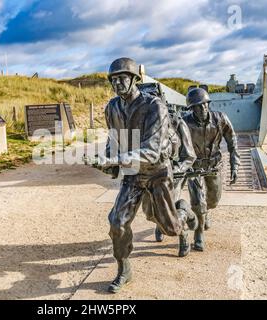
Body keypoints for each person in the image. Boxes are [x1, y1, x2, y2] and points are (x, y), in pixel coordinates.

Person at [96, 58, 197, 293]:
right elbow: (114, 140)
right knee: (117, 223)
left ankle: (184, 215)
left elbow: (152, 149)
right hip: (133, 175)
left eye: (122, 78)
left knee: (168, 227)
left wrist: (115, 160)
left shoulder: (154, 106)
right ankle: (124, 270)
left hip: (158, 173)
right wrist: (106, 162)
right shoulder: (112, 107)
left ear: (134, 80)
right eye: (113, 80)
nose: (117, 83)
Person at [183, 88, 240, 251]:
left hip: (214, 166)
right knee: (198, 202)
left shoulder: (220, 119)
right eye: (198, 106)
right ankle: (199, 232)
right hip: (194, 168)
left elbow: (232, 142)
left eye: (205, 105)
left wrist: (234, 165)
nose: (203, 109)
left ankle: (205, 213)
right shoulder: (185, 122)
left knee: (213, 200)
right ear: (191, 108)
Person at [149, 105, 197, 245]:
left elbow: (189, 156)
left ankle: (183, 233)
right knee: (150, 212)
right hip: (150, 176)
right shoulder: (142, 125)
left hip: (173, 175)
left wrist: (176, 170)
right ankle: (161, 223)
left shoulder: (176, 122)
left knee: (170, 210)